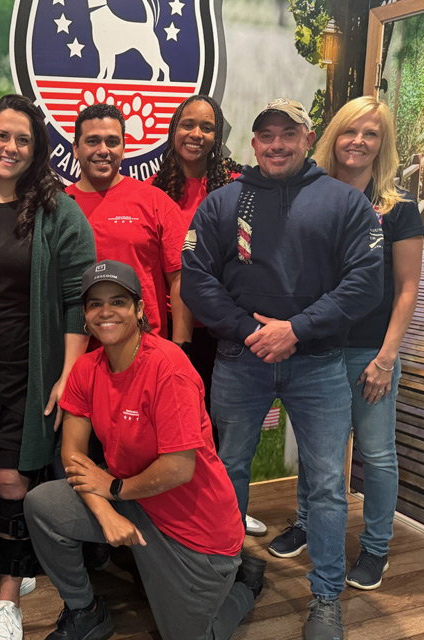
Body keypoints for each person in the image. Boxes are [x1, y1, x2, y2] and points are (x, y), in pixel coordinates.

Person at [181, 97, 384, 640]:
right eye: (266, 136)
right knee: (226, 475)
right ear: (253, 144)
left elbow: (365, 283)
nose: (276, 145)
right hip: (238, 361)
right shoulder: (224, 204)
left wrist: (296, 329)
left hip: (318, 364)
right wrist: (254, 331)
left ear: (306, 138)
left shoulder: (345, 203)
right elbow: (196, 281)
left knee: (325, 486)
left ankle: (325, 598)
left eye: (287, 135)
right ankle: (222, 579)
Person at [25, 260, 266, 640]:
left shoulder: (168, 367)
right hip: (135, 500)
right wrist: (106, 512)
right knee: (42, 504)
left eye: (118, 301)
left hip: (195, 529)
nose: (106, 312)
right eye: (94, 304)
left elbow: (179, 469)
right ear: (85, 317)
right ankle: (84, 611)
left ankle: (243, 584)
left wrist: (115, 489)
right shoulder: (87, 370)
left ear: (139, 309)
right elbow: (73, 454)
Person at [0, 94, 96, 640]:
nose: (11, 147)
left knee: (12, 479)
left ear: (38, 150)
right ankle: (3, 570)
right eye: (2, 136)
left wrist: (68, 374)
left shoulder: (59, 212)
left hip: (28, 369)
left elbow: (80, 296)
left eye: (23, 139)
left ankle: (9, 598)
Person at [268, 96, 423, 591]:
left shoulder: (399, 211)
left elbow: (407, 288)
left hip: (368, 352)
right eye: (350, 130)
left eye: (371, 134)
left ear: (383, 145)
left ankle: (376, 547)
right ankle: (308, 522)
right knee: (319, 450)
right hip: (315, 344)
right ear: (333, 136)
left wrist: (386, 357)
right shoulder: (308, 197)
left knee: (375, 453)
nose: (358, 141)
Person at [151, 94, 268, 538]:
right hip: (171, 330)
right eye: (187, 125)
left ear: (218, 135)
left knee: (225, 429)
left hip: (226, 328)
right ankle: (181, 513)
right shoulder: (156, 188)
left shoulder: (237, 185)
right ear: (173, 129)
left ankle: (227, 508)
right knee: (179, 427)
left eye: (206, 127)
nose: (195, 135)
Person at [65, 103, 190, 342]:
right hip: (76, 352)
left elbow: (180, 279)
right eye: (92, 141)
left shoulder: (154, 201)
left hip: (145, 350)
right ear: (75, 149)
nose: (103, 150)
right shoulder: (58, 206)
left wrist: (181, 347)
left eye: (112, 142)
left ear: (123, 148)